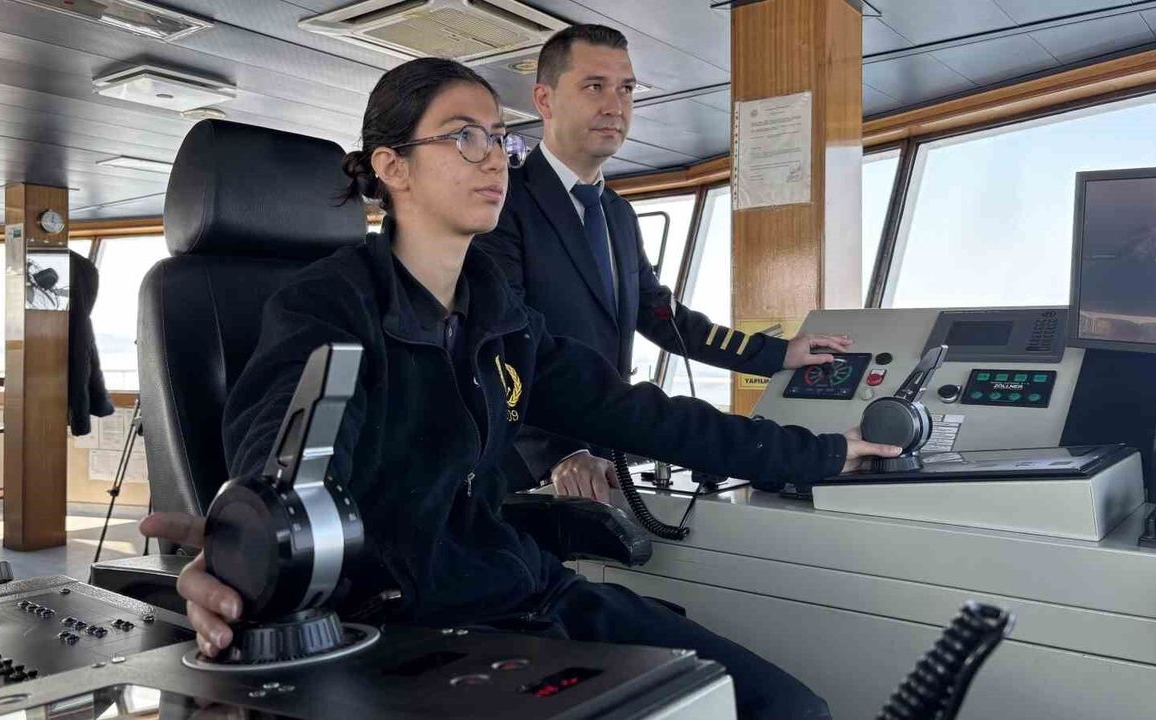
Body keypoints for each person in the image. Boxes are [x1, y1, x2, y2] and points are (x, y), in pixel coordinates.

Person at [140, 57, 901, 720]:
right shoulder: (326, 307)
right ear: (393, 167)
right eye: (463, 137)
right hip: (400, 624)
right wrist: (251, 553)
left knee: (788, 708)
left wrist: (820, 454)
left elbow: (639, 413)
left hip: (521, 590)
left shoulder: (497, 313)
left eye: (501, 139)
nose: (496, 160)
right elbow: (282, 470)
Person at [475, 25, 852, 500]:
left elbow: (663, 317)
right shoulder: (502, 204)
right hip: (525, 472)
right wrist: (558, 453)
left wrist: (775, 354)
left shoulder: (617, 214)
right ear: (544, 100)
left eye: (626, 89)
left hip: (604, 454)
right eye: (594, 86)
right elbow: (505, 350)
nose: (615, 106)